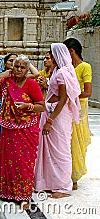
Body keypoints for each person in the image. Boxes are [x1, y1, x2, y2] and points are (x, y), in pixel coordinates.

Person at [0, 55, 45, 206]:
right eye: (16, 66)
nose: (18, 69)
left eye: (22, 67)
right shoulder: (6, 81)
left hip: (27, 129)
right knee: (8, 160)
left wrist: (28, 106)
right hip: (9, 128)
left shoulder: (31, 84)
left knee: (24, 161)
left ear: (26, 70)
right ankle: (6, 192)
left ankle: (23, 194)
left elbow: (41, 106)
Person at [34, 43, 81, 198]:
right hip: (51, 110)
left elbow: (63, 99)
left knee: (61, 150)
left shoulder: (63, 73)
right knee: (49, 150)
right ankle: (49, 182)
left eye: (51, 54)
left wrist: (51, 120)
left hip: (58, 115)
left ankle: (63, 186)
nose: (49, 57)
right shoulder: (56, 71)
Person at [63, 38, 92, 190]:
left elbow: (87, 92)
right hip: (66, 108)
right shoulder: (67, 68)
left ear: (71, 51)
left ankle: (74, 177)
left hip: (79, 110)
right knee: (65, 142)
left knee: (76, 142)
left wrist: (70, 94)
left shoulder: (84, 67)